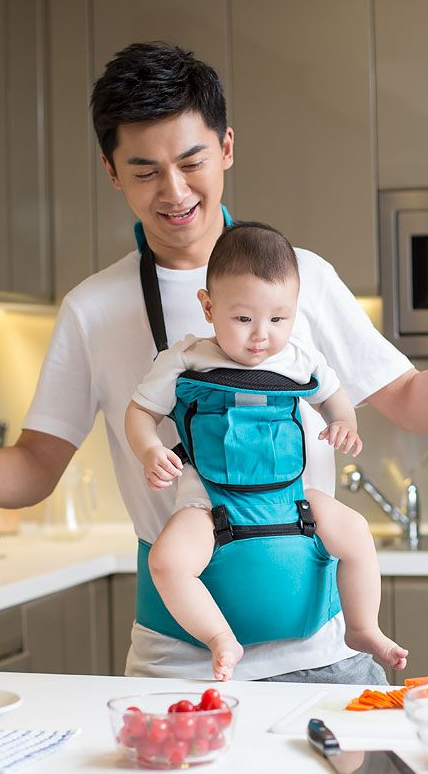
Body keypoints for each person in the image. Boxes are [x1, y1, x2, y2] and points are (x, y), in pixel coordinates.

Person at [0, 42, 428, 684]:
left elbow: (414, 405)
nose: (173, 192)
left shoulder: (301, 277)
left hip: (325, 655)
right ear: (111, 171)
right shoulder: (92, 308)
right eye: (144, 170)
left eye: (191, 161)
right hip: (179, 666)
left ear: (226, 147)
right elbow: (36, 467)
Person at [126, 221, 408, 681]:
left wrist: (344, 423)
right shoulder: (184, 359)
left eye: (279, 319)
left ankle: (362, 628)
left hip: (292, 498)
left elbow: (335, 397)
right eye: (243, 319)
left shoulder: (298, 358)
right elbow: (138, 413)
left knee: (355, 532)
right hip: (209, 504)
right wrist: (149, 449)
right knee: (167, 561)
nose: (262, 335)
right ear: (208, 306)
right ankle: (220, 638)